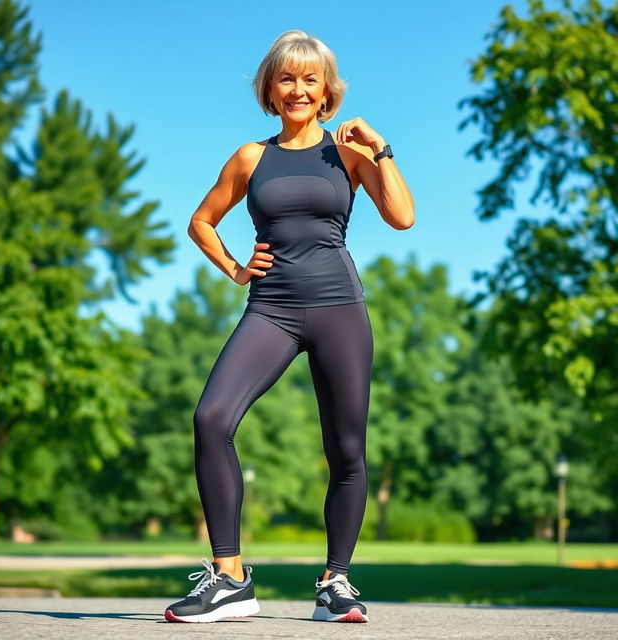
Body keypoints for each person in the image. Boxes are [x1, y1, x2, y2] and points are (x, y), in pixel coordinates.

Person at [164, 29, 414, 625]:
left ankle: (336, 582)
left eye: (310, 78)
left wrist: (381, 148)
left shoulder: (348, 152)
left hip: (339, 310)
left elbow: (402, 217)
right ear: (270, 90)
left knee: (346, 449)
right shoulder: (251, 157)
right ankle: (229, 579)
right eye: (286, 78)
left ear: (326, 90)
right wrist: (233, 267)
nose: (298, 89)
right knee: (211, 418)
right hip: (271, 307)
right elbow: (201, 221)